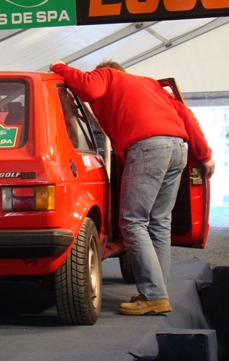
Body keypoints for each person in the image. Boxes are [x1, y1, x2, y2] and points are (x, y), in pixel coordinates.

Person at [49, 59, 215, 316]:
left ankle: (154, 295)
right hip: (177, 149)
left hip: (148, 147)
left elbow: (88, 88)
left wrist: (60, 67)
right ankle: (158, 291)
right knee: (159, 221)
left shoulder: (108, 76)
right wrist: (205, 156)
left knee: (133, 222)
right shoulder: (151, 85)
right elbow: (187, 117)